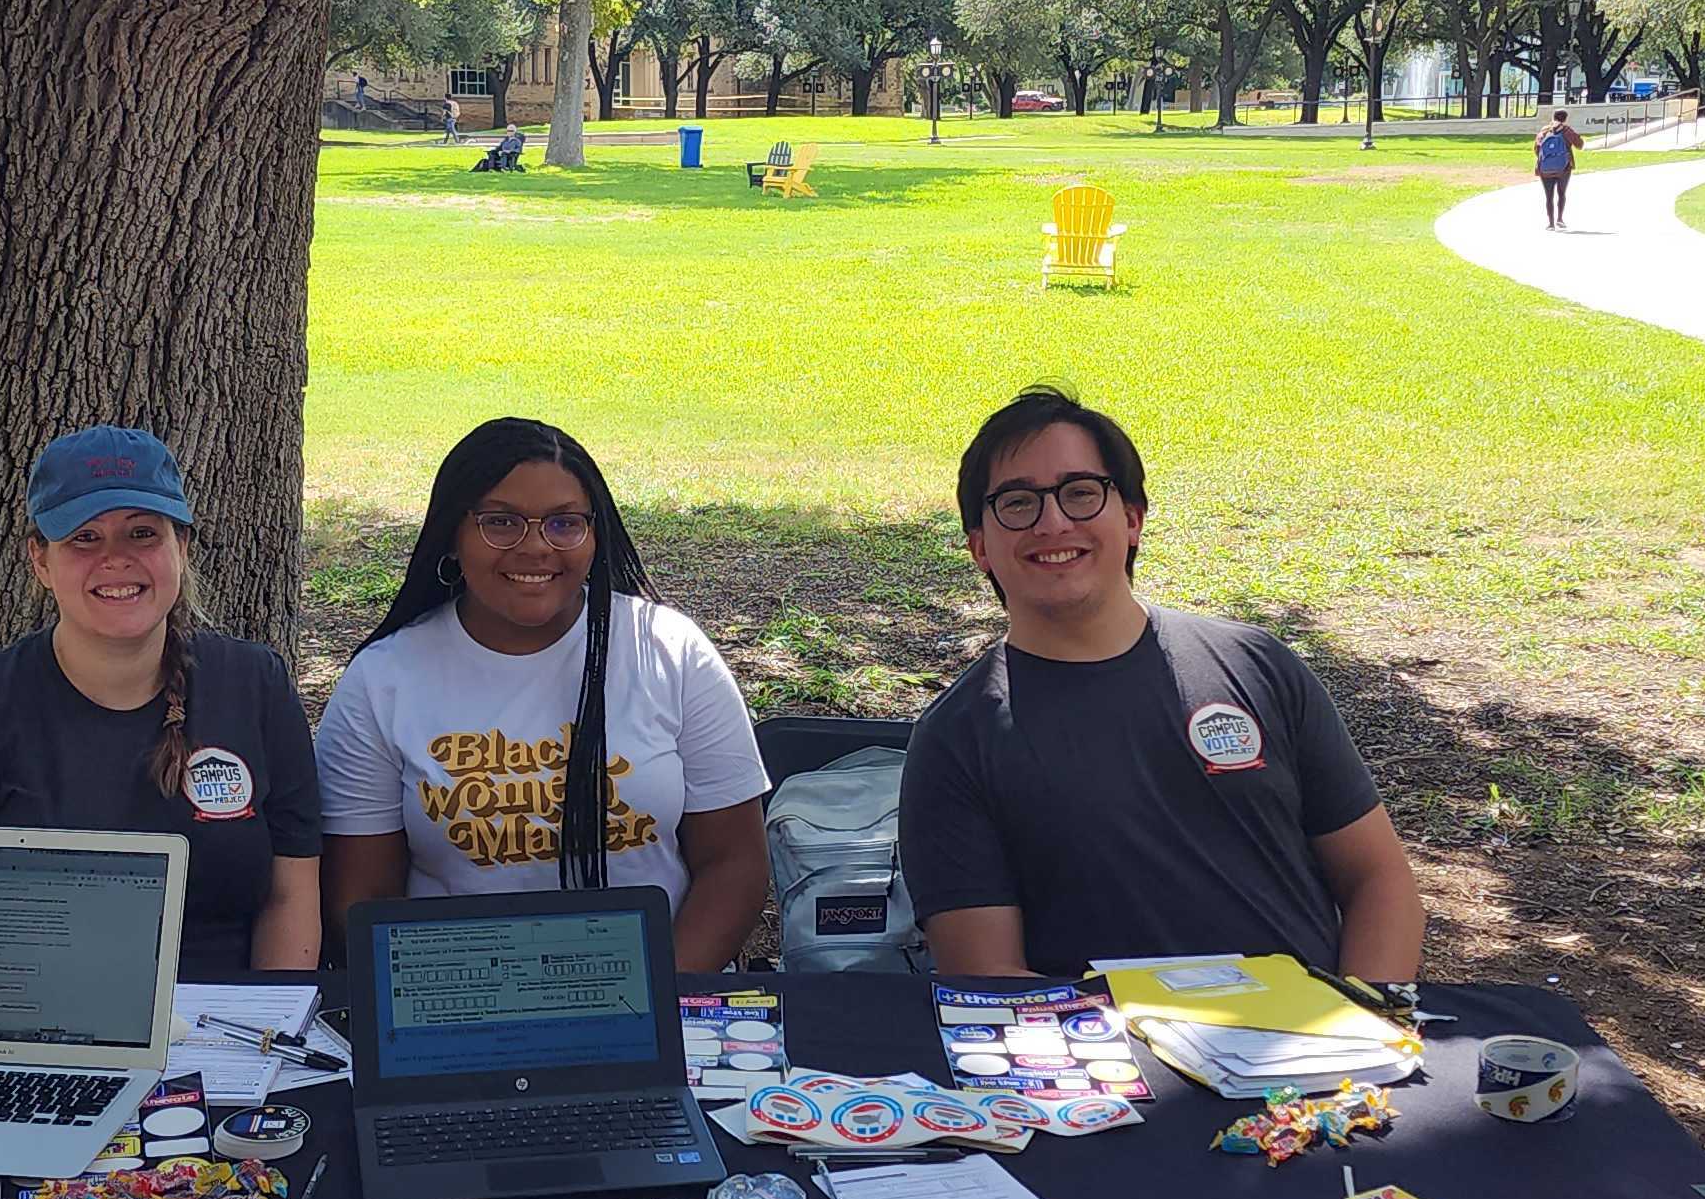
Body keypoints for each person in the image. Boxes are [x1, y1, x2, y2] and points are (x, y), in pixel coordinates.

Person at [899, 385, 1425, 992]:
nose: (1052, 521)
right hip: (1109, 1069)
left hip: (1315, 1057)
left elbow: (1381, 884)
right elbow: (988, 978)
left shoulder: (1260, 666)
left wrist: (1360, 1024)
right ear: (980, 548)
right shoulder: (956, 738)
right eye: (1016, 503)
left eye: (1080, 492)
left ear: (1131, 520)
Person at [316, 418, 770, 970]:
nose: (535, 547)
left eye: (564, 524)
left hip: (651, 996)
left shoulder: (670, 651)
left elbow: (735, 864)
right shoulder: (381, 681)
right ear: (451, 536)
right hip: (457, 1000)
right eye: (500, 522)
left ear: (594, 534)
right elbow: (361, 901)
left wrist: (653, 1006)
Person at [0, 426, 320, 977]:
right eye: (84, 538)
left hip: (233, 1032)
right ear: (40, 560)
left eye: (142, 533)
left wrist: (266, 1031)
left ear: (180, 548)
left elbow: (291, 896)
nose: (116, 559)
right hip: (39, 1028)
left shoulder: (256, 684)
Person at [1535, 107, 1579, 230]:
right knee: (1561, 193)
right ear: (1565, 119)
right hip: (1564, 168)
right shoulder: (1566, 131)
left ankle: (1551, 223)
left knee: (1549, 196)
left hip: (1545, 168)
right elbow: (1580, 145)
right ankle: (1560, 218)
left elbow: (1537, 149)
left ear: (1553, 117)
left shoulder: (1544, 131)